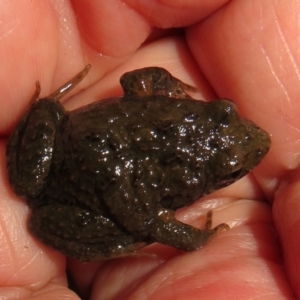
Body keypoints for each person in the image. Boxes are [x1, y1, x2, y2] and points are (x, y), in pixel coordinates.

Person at [0, 1, 297, 299]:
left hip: (76, 154)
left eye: (232, 167)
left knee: (48, 111)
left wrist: (163, 85)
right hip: (73, 184)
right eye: (225, 111)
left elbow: (135, 80)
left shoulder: (170, 110)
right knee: (133, 231)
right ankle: (115, 241)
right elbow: (155, 225)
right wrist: (198, 239)